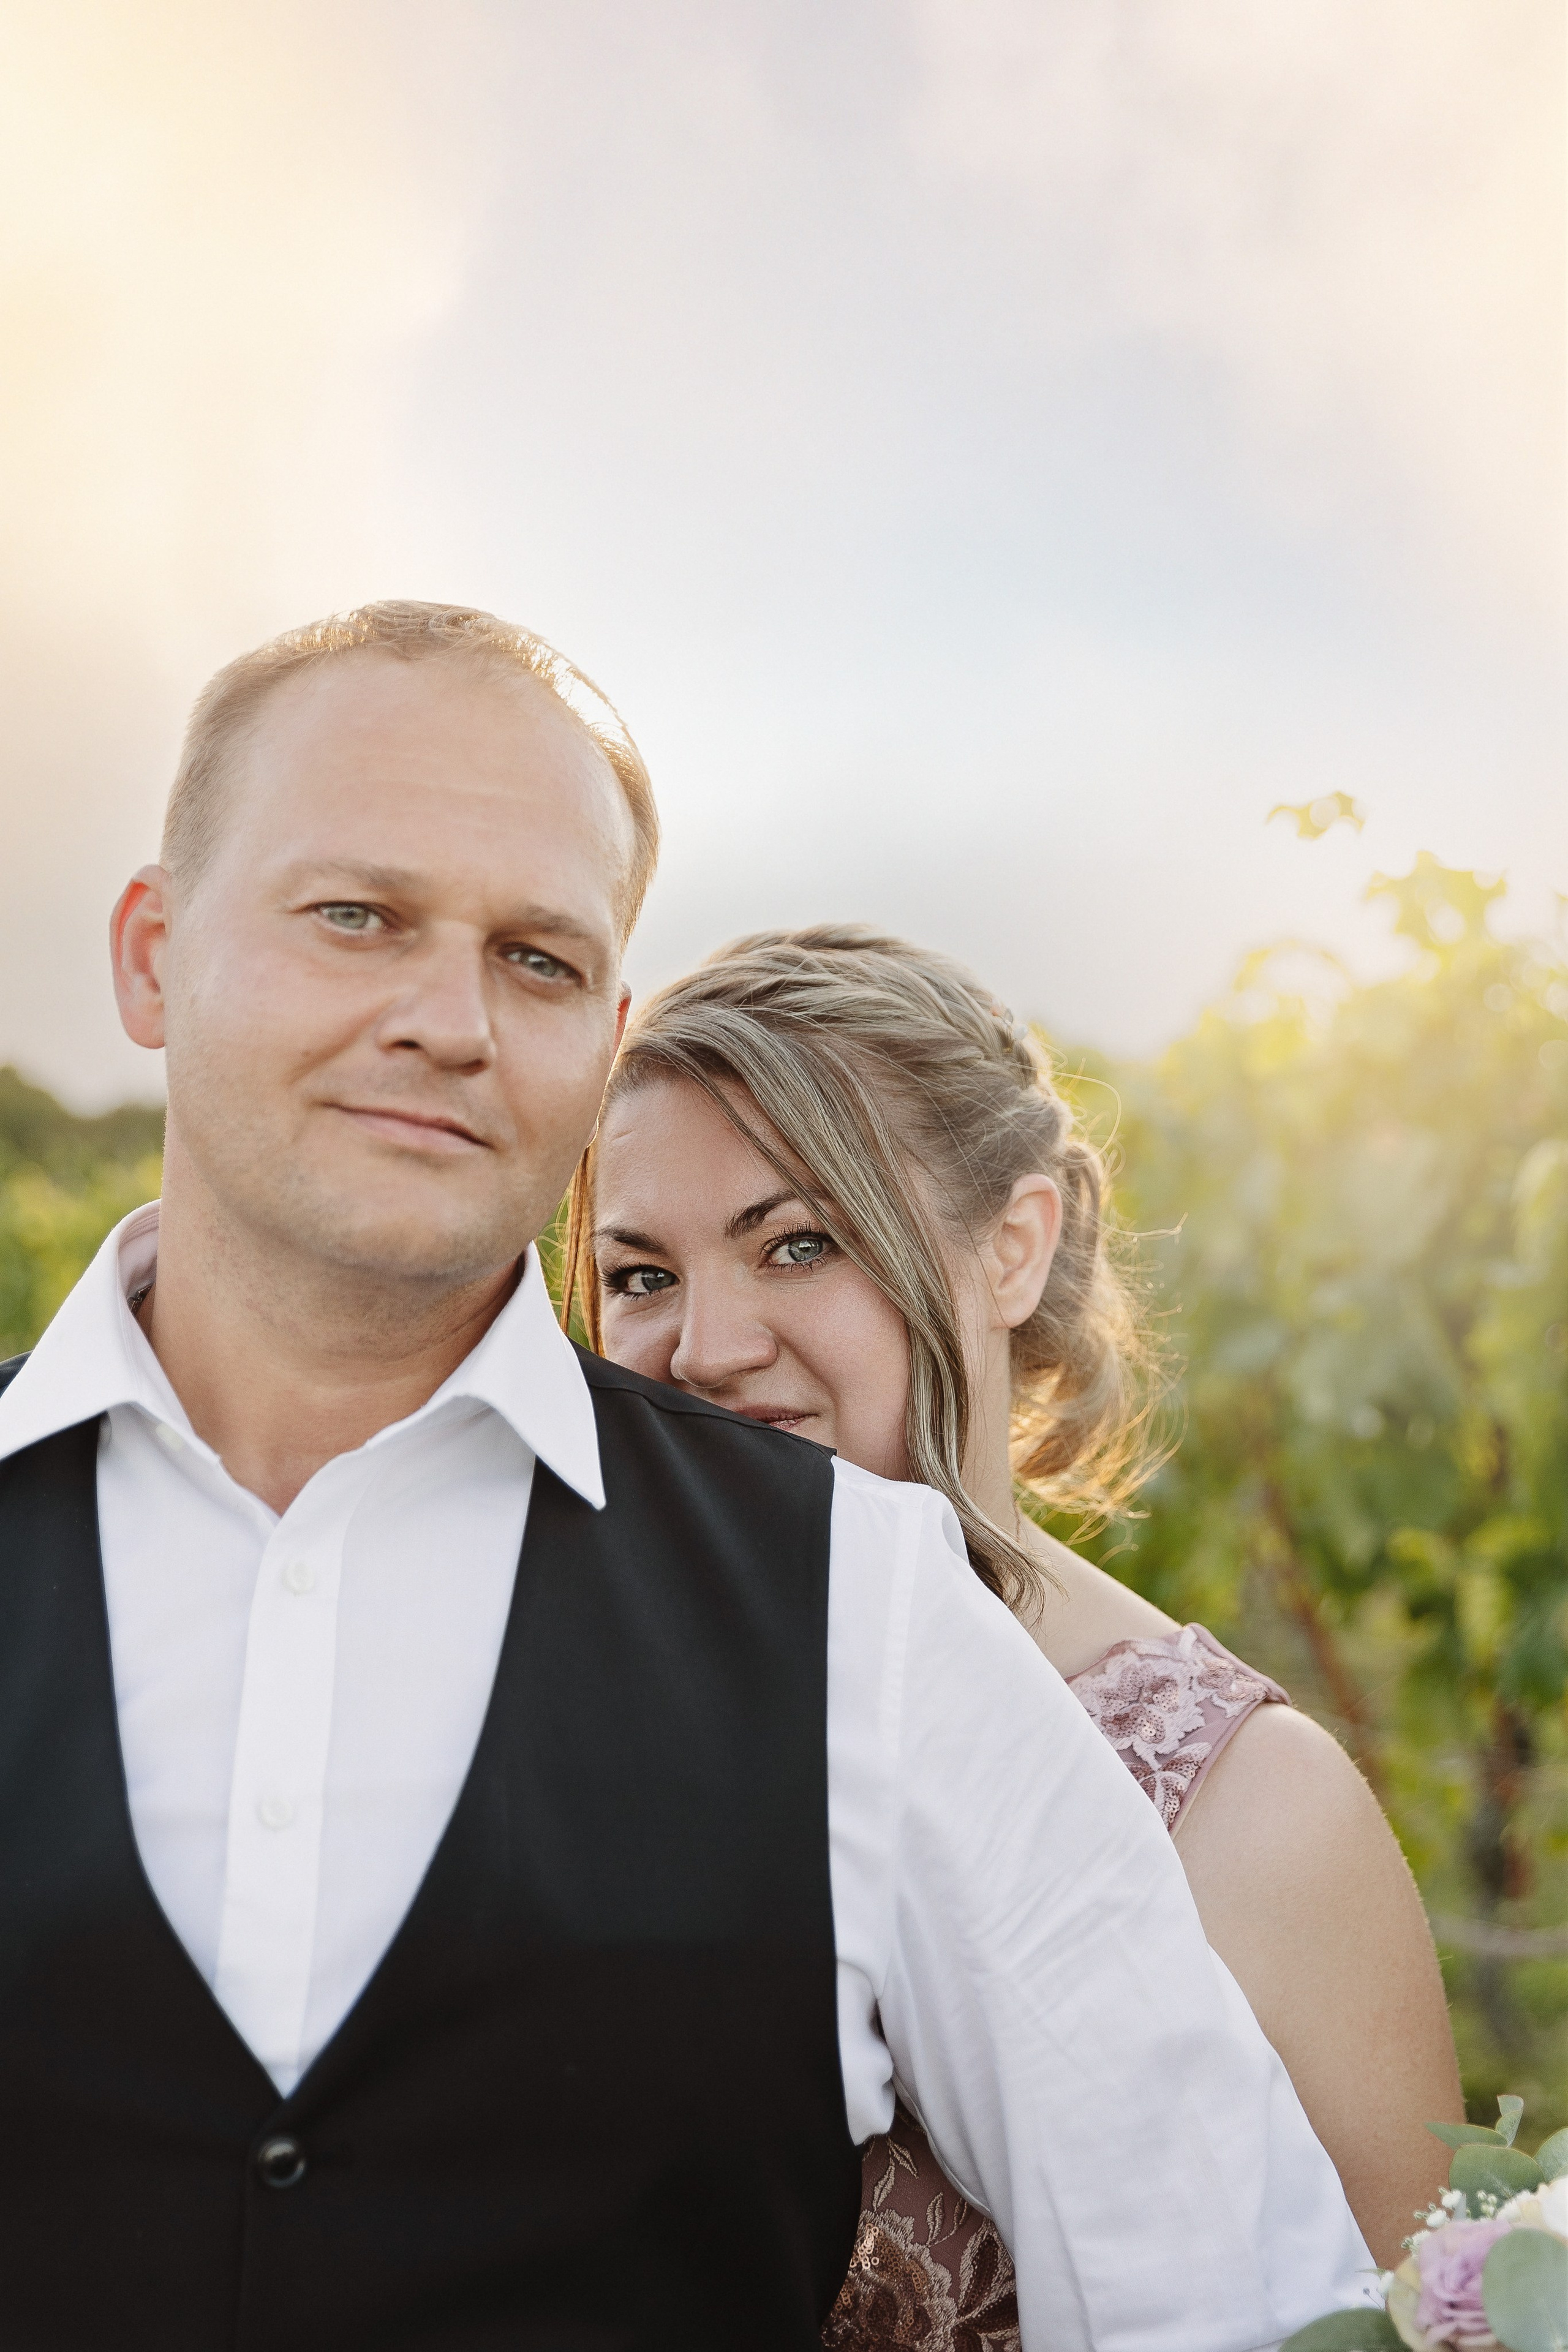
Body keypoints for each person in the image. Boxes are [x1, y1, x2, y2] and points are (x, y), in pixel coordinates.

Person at [0, 604, 1372, 2352]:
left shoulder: (867, 1620)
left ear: (605, 1036)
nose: (450, 1019)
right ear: (151, 954)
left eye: (541, 962)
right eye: (358, 916)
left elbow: (1234, 2305)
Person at [570, 923, 1465, 2334]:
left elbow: (1399, 2325)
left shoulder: (1249, 1817)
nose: (704, 1346)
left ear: (1011, 1247)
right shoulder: (554, 1722)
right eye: (641, 1276)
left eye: (797, 1244)